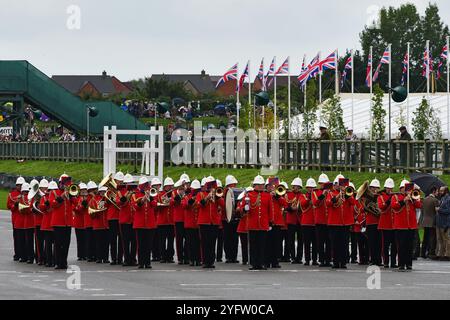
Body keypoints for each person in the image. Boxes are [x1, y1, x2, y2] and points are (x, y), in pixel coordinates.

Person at [238, 176, 273, 270]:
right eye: (259, 185)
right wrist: (244, 209)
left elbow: (270, 210)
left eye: (262, 185)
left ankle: (261, 263)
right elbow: (242, 208)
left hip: (263, 224)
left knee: (262, 245)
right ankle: (254, 263)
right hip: (252, 224)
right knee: (253, 246)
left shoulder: (267, 195)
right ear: (255, 185)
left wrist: (270, 222)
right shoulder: (249, 195)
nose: (261, 186)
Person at [391, 180, 422, 271]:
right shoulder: (396, 197)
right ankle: (401, 264)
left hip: (411, 226)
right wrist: (403, 200)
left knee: (409, 246)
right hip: (401, 226)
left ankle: (409, 264)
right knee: (401, 246)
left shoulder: (412, 197)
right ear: (401, 189)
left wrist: (414, 198)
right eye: (404, 188)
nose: (406, 190)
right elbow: (394, 206)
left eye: (407, 188)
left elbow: (419, 205)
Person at [326, 175, 355, 269]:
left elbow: (353, 202)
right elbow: (329, 203)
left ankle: (343, 262)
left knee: (344, 243)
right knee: (335, 244)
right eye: (339, 184)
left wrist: (346, 194)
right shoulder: (331, 193)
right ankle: (335, 262)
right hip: (334, 222)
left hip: (345, 223)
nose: (340, 186)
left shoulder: (347, 194)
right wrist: (339, 194)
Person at [195, 176, 224, 268]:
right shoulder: (200, 194)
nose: (211, 188)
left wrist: (218, 197)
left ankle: (211, 261)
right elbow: (199, 205)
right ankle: (205, 261)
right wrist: (207, 197)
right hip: (204, 222)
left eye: (212, 186)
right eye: (209, 186)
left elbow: (223, 205)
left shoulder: (216, 195)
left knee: (212, 242)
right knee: (204, 242)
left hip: (214, 222)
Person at [50, 174, 74, 270]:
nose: (66, 186)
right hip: (57, 222)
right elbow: (53, 204)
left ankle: (64, 261)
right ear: (60, 183)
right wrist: (61, 197)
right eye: (64, 184)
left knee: (66, 243)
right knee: (58, 243)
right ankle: (57, 262)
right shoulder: (54, 192)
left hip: (67, 222)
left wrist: (72, 196)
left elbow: (76, 202)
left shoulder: (70, 193)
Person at [132, 177, 157, 269]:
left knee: (148, 244)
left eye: (147, 185)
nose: (147, 187)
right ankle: (141, 262)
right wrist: (142, 200)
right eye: (145, 186)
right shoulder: (135, 195)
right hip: (140, 224)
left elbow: (155, 205)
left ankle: (147, 262)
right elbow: (135, 207)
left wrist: (149, 198)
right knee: (141, 245)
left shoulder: (151, 194)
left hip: (150, 224)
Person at [313, 173, 332, 267]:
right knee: (320, 242)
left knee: (329, 242)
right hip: (320, 221)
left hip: (329, 220)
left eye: (325, 183)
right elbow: (315, 203)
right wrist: (323, 195)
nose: (323, 185)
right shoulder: (315, 192)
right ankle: (321, 260)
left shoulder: (331, 192)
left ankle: (328, 259)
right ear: (319, 184)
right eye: (322, 183)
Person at [378, 178, 398, 268]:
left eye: (391, 188)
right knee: (385, 245)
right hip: (385, 225)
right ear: (385, 188)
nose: (390, 190)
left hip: (394, 225)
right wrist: (388, 201)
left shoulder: (395, 196)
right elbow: (381, 207)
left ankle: (393, 262)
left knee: (394, 245)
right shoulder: (380, 197)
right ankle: (386, 262)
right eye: (388, 188)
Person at [118, 175, 137, 266]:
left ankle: (133, 258)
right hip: (124, 220)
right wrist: (126, 195)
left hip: (134, 220)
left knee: (134, 241)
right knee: (125, 241)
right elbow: (120, 203)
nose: (129, 185)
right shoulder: (120, 192)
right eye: (127, 183)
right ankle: (126, 259)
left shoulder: (135, 192)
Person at [156, 177, 175, 264]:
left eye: (171, 186)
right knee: (162, 240)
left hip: (171, 221)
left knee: (170, 240)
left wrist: (171, 200)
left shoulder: (174, 194)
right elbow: (157, 205)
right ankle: (162, 256)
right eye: (168, 186)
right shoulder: (160, 194)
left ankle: (170, 256)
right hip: (162, 221)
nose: (170, 188)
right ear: (165, 187)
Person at [183, 180, 201, 266]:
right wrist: (192, 199)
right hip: (189, 223)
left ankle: (198, 259)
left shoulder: (200, 196)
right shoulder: (187, 196)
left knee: (198, 242)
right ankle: (191, 259)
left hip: (197, 223)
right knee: (190, 243)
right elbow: (185, 205)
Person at [7, 177, 26, 261]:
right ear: (16, 186)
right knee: (17, 239)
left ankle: (25, 255)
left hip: (25, 219)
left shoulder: (27, 193)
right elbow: (9, 206)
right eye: (19, 185)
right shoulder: (12, 194)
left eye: (22, 185)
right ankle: (17, 254)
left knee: (25, 239)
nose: (21, 187)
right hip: (16, 219)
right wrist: (15, 204)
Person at [285, 178, 303, 264]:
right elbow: (285, 206)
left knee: (300, 240)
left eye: (297, 186)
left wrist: (298, 208)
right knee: (290, 240)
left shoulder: (302, 195)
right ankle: (292, 257)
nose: (295, 188)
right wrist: (291, 208)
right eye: (294, 186)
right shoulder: (288, 195)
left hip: (299, 220)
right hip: (291, 220)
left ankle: (299, 258)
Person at [90, 186, 110, 264]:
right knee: (98, 242)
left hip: (106, 224)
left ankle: (105, 258)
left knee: (106, 243)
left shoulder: (108, 199)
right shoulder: (94, 199)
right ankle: (99, 257)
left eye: (104, 192)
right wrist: (102, 202)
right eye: (101, 191)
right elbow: (93, 211)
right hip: (98, 224)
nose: (103, 193)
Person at [108, 172, 124, 265]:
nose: (120, 183)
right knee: (113, 239)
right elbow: (105, 203)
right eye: (119, 181)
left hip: (121, 216)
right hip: (112, 217)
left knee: (121, 239)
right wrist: (110, 199)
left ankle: (120, 258)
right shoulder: (110, 190)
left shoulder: (123, 191)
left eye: (121, 181)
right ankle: (114, 258)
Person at [301, 178, 318, 266]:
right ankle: (307, 259)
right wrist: (309, 199)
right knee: (307, 243)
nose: (311, 189)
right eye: (309, 187)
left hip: (315, 223)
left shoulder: (316, 196)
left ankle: (315, 259)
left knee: (315, 243)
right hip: (306, 223)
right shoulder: (303, 196)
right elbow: (303, 204)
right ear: (307, 188)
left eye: (312, 187)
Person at [365, 179, 382, 266]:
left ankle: (379, 260)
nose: (375, 189)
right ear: (370, 188)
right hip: (370, 223)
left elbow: (381, 207)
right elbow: (365, 207)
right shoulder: (367, 197)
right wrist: (373, 198)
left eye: (376, 188)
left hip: (379, 223)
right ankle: (373, 260)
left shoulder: (380, 197)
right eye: (373, 188)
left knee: (379, 243)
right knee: (372, 242)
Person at [223, 175, 240, 264]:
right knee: (227, 239)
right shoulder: (224, 193)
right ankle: (228, 256)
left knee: (235, 239)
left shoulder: (235, 192)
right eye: (233, 184)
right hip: (226, 219)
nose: (234, 186)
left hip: (234, 218)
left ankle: (234, 256)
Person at [40, 181, 56, 267]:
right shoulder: (44, 198)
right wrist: (45, 205)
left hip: (54, 223)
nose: (51, 191)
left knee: (56, 245)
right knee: (48, 244)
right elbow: (41, 208)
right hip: (46, 224)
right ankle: (48, 260)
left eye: (53, 190)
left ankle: (54, 260)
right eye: (50, 190)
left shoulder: (56, 197)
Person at [420, 187, 439, 259]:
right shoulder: (435, 200)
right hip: (432, 222)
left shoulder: (424, 199)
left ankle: (423, 253)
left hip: (425, 221)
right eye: (437, 191)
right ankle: (431, 253)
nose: (438, 193)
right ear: (434, 191)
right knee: (432, 238)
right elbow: (437, 211)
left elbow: (422, 210)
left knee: (425, 238)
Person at [173, 179, 188, 265]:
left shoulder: (186, 195)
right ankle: (180, 258)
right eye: (182, 187)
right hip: (178, 220)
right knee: (179, 240)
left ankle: (186, 257)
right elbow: (173, 202)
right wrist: (179, 195)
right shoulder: (175, 195)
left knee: (187, 239)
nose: (183, 188)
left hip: (186, 219)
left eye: (184, 186)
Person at [73, 183, 88, 261]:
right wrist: (82, 206)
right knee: (79, 240)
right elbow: (75, 208)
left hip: (85, 221)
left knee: (86, 239)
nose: (83, 191)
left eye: (84, 190)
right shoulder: (76, 198)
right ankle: (80, 255)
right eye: (82, 190)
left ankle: (86, 254)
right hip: (78, 221)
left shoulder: (88, 198)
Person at [436, 187, 450, 261]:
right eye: (440, 190)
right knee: (440, 239)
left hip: (445, 223)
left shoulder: (448, 199)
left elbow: (448, 211)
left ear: (446, 191)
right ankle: (440, 254)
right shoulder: (442, 199)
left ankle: (447, 255)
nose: (440, 192)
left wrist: (439, 209)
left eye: (441, 191)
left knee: (446, 239)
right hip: (439, 222)